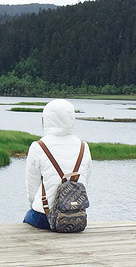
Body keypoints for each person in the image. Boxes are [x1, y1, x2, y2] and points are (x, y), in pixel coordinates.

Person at [23, 98, 91, 230]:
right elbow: (85, 181)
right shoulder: (84, 146)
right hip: (77, 217)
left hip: (45, 217)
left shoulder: (38, 146)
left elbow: (31, 186)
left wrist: (34, 204)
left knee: (28, 219)